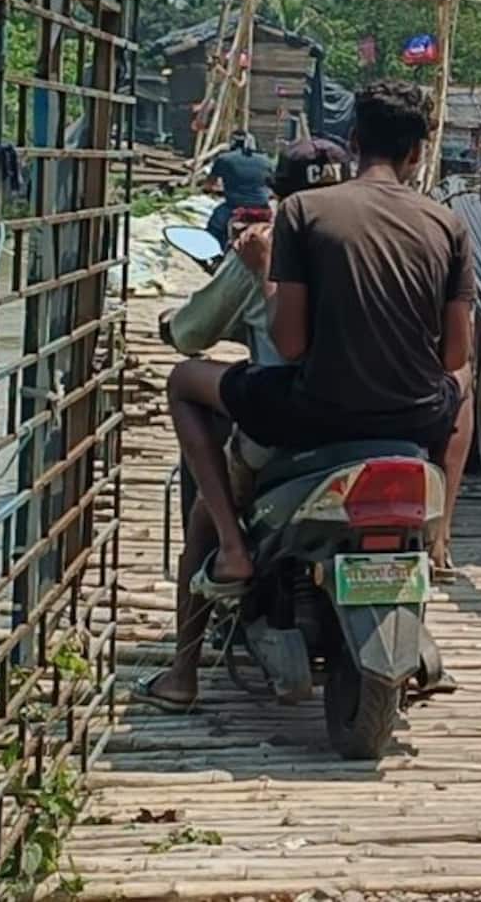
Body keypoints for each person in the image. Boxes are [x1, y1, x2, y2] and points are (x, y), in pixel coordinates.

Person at [165, 81, 476, 604]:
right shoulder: (448, 226)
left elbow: (290, 346)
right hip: (415, 418)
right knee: (464, 385)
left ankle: (232, 546)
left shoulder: (302, 212)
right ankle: (441, 533)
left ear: (354, 140)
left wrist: (266, 275)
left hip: (314, 414)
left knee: (181, 381)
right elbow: (454, 356)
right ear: (418, 152)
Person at [135, 138, 349, 713]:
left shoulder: (266, 247)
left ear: (278, 193)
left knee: (204, 496)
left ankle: (184, 670)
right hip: (374, 421)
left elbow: (194, 333)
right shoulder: (374, 245)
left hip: (288, 425)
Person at [205, 132, 272, 251]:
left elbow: (209, 184)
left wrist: (214, 190)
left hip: (234, 207)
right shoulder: (266, 160)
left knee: (214, 229)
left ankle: (212, 256)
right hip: (262, 207)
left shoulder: (224, 159)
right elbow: (272, 183)